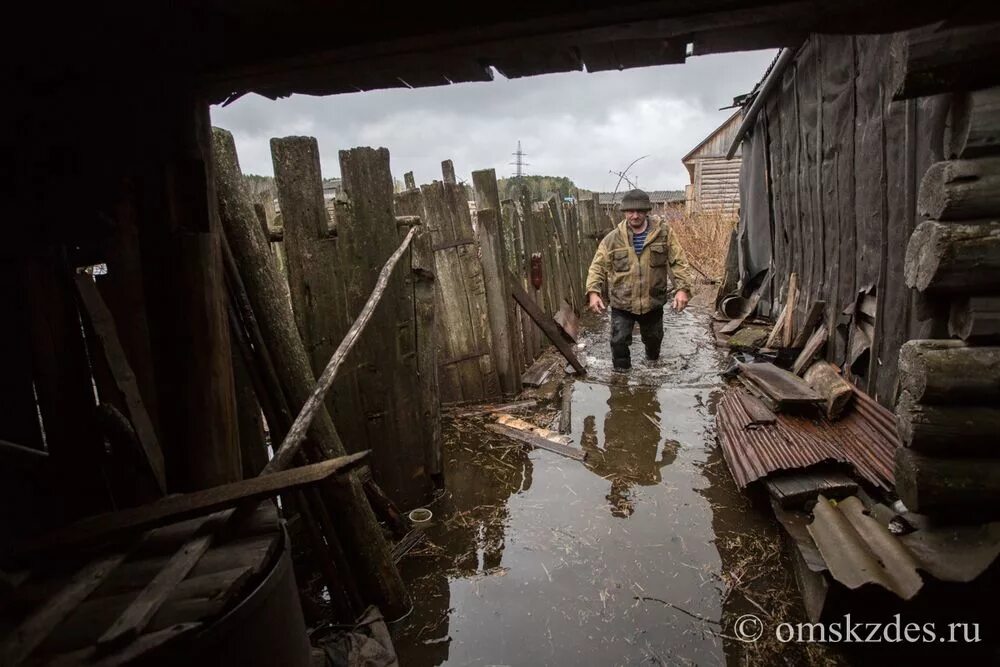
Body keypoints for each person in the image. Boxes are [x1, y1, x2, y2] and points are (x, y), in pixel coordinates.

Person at [584, 189, 695, 371]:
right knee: (618, 343)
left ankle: (652, 371)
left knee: (653, 342)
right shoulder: (612, 240)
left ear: (646, 211)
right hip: (622, 303)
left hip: (653, 302)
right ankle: (622, 382)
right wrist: (593, 292)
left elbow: (679, 261)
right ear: (624, 212)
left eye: (639, 211)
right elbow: (597, 267)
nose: (635, 216)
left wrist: (682, 289)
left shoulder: (664, 234)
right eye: (630, 212)